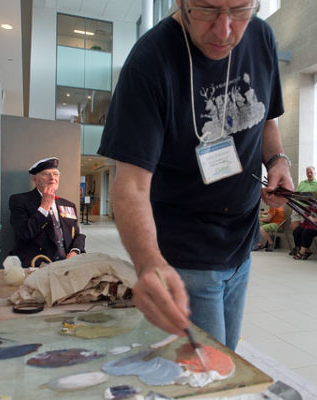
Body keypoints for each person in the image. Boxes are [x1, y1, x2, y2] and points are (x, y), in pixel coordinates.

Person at [97, 0, 291, 350]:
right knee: (202, 376)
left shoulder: (261, 36)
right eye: (207, 9)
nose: (224, 30)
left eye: (239, 10)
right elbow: (131, 186)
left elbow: (267, 119)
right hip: (186, 253)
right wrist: (149, 264)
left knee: (225, 358)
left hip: (242, 243)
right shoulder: (150, 60)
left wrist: (277, 162)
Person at [9, 157, 86, 268]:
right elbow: (24, 233)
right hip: (37, 264)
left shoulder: (68, 205)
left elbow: (78, 234)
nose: (52, 178)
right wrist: (44, 207)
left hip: (66, 265)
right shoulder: (19, 201)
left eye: (55, 174)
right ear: (35, 179)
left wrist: (75, 251)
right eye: (46, 174)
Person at [288, 166, 317, 256]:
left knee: (304, 228)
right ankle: (298, 247)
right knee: (294, 226)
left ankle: (304, 248)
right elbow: (297, 194)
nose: (309, 174)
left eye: (311, 172)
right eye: (307, 172)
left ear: (315, 173)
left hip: (308, 209)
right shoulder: (302, 183)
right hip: (298, 206)